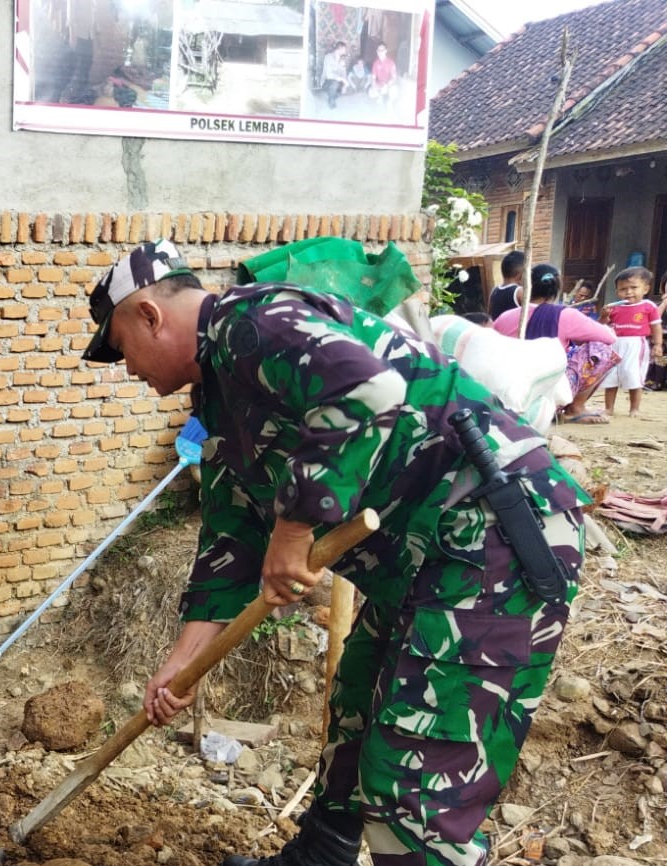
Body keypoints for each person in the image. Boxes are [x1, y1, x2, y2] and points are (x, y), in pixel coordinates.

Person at [82, 241, 586, 866]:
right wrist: (181, 663)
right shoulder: (218, 400)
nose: (126, 368)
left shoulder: (251, 324)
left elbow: (368, 388)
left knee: (415, 778)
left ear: (150, 317)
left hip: (491, 534)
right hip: (426, 556)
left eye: (121, 347)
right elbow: (230, 538)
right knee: (355, 714)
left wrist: (293, 531)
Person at [491, 263, 617, 423]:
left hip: (508, 399)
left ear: (526, 287)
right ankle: (575, 409)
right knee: (601, 348)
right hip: (550, 397)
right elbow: (610, 338)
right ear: (557, 289)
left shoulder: (505, 316)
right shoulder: (566, 315)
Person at [600, 266, 664, 417]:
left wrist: (657, 344)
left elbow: (656, 327)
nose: (628, 292)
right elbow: (602, 326)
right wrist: (603, 316)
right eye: (623, 289)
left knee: (633, 375)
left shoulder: (648, 306)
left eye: (634, 287)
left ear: (646, 288)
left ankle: (634, 408)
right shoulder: (613, 308)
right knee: (610, 376)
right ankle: (609, 408)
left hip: (636, 344)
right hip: (614, 344)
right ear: (617, 291)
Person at [487, 251, 527, 320]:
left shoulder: (494, 290)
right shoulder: (519, 292)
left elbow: (489, 315)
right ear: (521, 275)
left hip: (497, 329)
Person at [320, 43, 350, 108]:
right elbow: (329, 75)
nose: (345, 51)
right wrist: (342, 79)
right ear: (339, 49)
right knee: (334, 82)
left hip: (337, 82)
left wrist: (344, 85)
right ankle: (331, 100)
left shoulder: (342, 59)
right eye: (344, 49)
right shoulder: (328, 57)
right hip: (326, 82)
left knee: (347, 87)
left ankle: (333, 95)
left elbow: (344, 73)